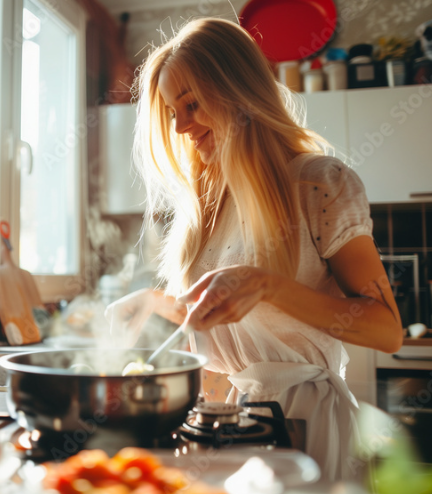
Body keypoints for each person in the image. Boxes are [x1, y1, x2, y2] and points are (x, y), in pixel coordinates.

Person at [105, 18, 403, 481]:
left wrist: (267, 287)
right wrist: (159, 304)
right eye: (171, 112)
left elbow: (388, 330)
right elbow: (227, 316)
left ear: (238, 92)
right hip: (223, 425)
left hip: (305, 429)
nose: (181, 126)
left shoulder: (319, 183)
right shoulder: (205, 203)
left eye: (191, 104)